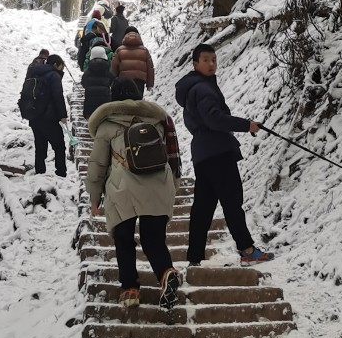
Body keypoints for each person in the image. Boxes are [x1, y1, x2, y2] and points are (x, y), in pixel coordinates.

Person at [174, 43, 274, 266]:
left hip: (202, 153)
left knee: (203, 207)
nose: (211, 64)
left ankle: (194, 258)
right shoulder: (203, 89)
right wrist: (246, 125)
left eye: (214, 60)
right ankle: (247, 249)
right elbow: (214, 119)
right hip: (218, 151)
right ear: (195, 64)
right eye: (206, 59)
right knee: (231, 201)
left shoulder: (192, 90)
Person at [88, 78, 181, 312]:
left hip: (123, 188)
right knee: (153, 240)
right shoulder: (159, 121)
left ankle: (130, 288)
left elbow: (98, 164)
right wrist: (174, 185)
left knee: (124, 238)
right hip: (159, 184)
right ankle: (165, 273)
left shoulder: (107, 124)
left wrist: (94, 196)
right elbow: (172, 156)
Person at [29, 53, 70, 177]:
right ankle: (61, 173)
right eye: (61, 66)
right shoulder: (54, 76)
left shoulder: (35, 73)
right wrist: (62, 115)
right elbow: (58, 96)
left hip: (35, 117)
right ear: (56, 65)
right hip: (49, 119)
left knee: (40, 147)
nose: (62, 69)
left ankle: (40, 173)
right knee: (59, 147)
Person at [111, 27, 155, 97]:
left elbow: (114, 67)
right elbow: (150, 68)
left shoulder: (119, 50)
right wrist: (149, 84)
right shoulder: (144, 51)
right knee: (137, 104)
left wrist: (114, 81)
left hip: (124, 81)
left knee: (126, 103)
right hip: (139, 81)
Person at [81, 39, 114, 118]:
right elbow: (112, 81)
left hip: (90, 100)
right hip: (105, 100)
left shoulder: (88, 71)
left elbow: (83, 83)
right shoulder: (107, 70)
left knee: (91, 122)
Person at [17, 49, 50, 122]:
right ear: (46, 55)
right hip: (38, 93)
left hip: (29, 92)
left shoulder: (32, 64)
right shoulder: (43, 63)